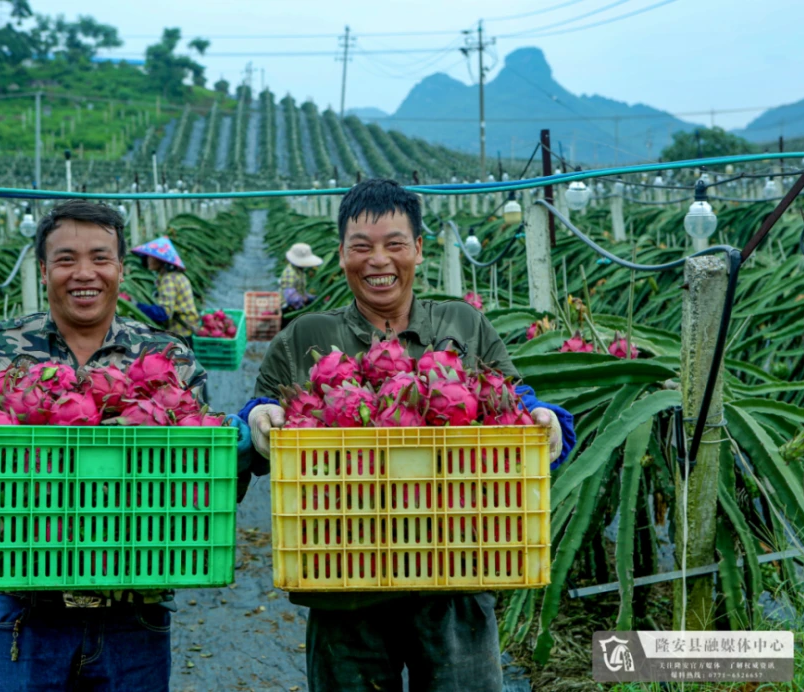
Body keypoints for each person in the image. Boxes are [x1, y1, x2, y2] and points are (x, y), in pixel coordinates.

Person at [239, 179, 575, 692]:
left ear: (418, 249)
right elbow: (256, 433)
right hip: (342, 575)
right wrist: (258, 417)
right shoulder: (306, 336)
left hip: (458, 573)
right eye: (361, 247)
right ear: (341, 254)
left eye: (395, 244)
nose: (379, 261)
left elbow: (513, 402)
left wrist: (547, 417)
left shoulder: (462, 323)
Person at [0, 200, 250, 691]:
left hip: (134, 611)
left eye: (100, 258)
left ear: (121, 268)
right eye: (65, 259)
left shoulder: (167, 356)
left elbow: (198, 487)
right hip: (27, 606)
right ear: (43, 269)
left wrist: (235, 451)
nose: (84, 273)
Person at [132, 236, 199, 342]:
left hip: (181, 334)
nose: (148, 259)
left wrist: (136, 306)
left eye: (151, 257)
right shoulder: (173, 276)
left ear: (160, 260)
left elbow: (164, 313)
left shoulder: (169, 279)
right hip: (185, 331)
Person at [279, 242, 323, 327]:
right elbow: (290, 296)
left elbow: (300, 291)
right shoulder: (290, 273)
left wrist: (312, 297)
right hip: (288, 309)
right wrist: (305, 299)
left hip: (295, 308)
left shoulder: (299, 271)